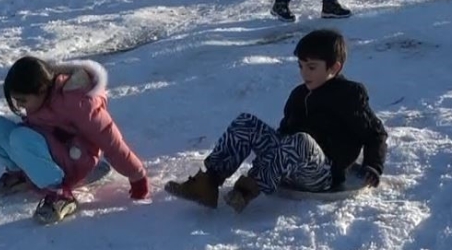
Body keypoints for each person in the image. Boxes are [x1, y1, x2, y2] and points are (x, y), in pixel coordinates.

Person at [164, 29, 387, 213]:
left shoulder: (349, 95)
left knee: (301, 141)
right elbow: (284, 134)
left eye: (311, 67)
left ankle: (248, 188)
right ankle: (209, 182)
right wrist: (271, 156)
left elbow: (375, 133)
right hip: (290, 164)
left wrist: (373, 166)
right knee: (246, 123)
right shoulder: (299, 94)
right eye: (301, 66)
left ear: (334, 67)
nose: (304, 73)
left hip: (323, 173)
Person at [0, 57, 150, 224]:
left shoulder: (78, 102)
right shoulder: (42, 97)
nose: (20, 107)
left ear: (41, 89)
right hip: (48, 148)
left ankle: (60, 194)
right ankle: (21, 174)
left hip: (75, 158)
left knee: (20, 138)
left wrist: (137, 175)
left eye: (23, 101)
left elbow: (110, 140)